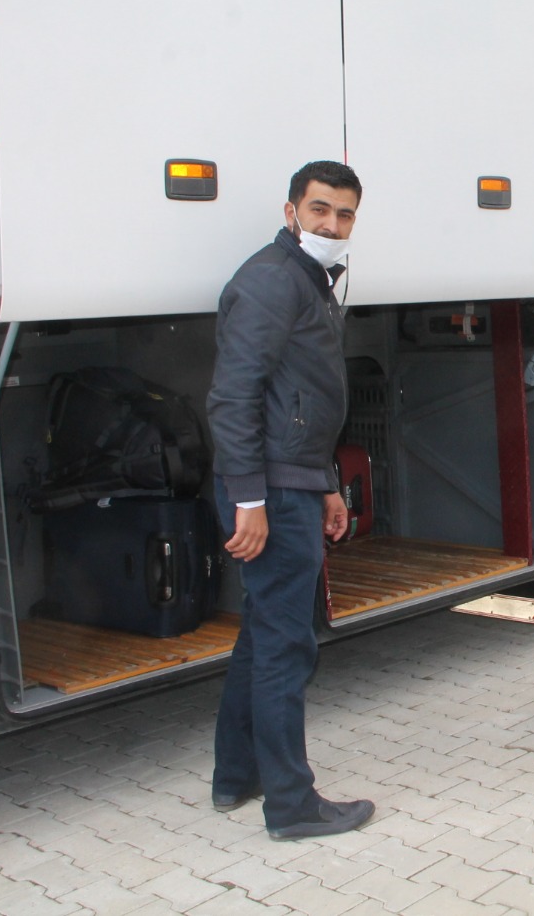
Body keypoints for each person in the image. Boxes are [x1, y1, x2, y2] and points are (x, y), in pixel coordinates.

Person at [206, 160, 374, 840]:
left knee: (263, 634)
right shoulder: (274, 282)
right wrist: (250, 499)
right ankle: (293, 807)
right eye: (320, 211)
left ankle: (236, 776)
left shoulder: (308, 280)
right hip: (269, 490)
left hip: (293, 480)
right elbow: (233, 396)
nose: (332, 225)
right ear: (291, 213)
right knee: (285, 645)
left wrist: (328, 483)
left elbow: (300, 397)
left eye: (344, 214)